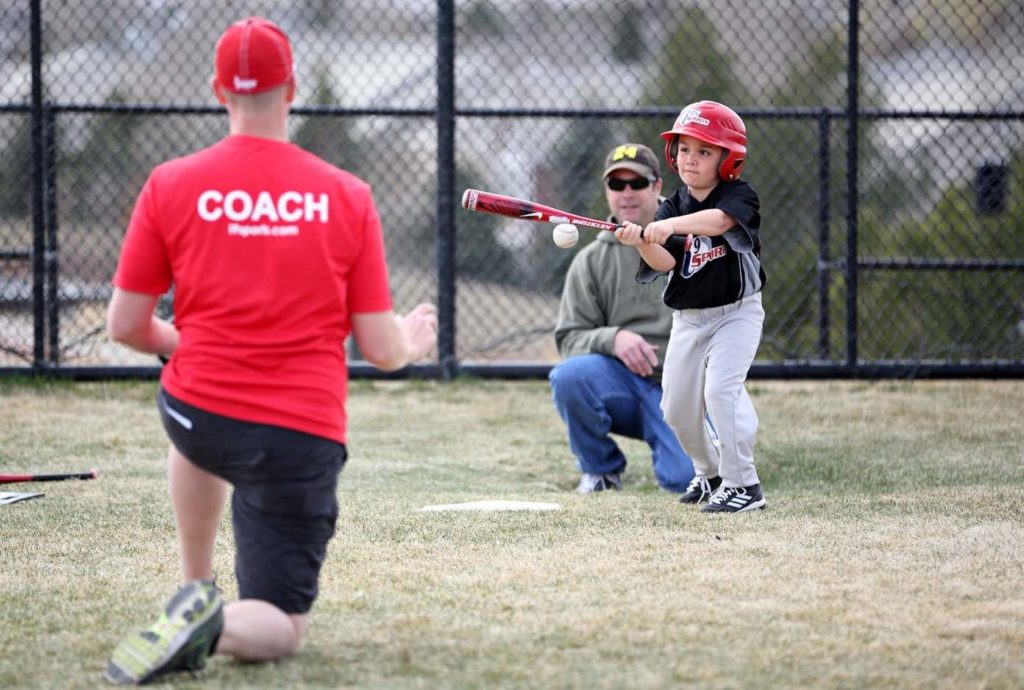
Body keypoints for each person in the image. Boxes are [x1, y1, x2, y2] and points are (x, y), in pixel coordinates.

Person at [103, 17, 437, 685]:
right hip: (297, 433)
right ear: (291, 88)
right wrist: (412, 339)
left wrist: (183, 343)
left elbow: (128, 326)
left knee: (195, 411)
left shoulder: (170, 183)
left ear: (217, 89)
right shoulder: (347, 194)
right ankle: (211, 620)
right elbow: (378, 347)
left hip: (199, 416)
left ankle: (194, 584)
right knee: (281, 626)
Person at [616, 100, 767, 513]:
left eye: (705, 151)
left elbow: (719, 223)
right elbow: (665, 263)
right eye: (685, 149)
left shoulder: (738, 196)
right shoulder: (671, 207)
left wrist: (666, 226)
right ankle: (712, 473)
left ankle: (744, 485)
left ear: (728, 159)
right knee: (676, 407)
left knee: (720, 390)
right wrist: (643, 241)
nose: (691, 160)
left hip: (737, 313)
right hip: (689, 319)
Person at [550, 143, 696, 494]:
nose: (627, 193)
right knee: (569, 377)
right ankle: (601, 470)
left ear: (657, 186)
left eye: (637, 183)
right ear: (607, 192)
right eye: (617, 185)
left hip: (685, 387)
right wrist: (612, 338)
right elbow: (569, 338)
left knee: (686, 480)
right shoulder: (591, 260)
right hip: (626, 386)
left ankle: (706, 438)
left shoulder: (692, 237)